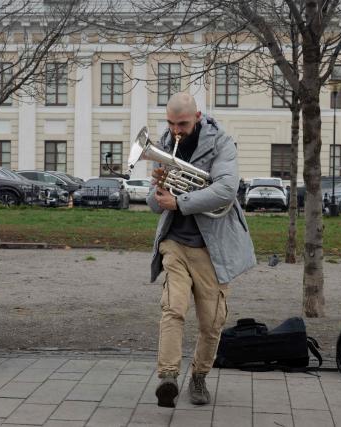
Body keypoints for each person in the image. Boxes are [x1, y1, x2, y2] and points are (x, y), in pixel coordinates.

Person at [147, 92, 256, 408]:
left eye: (181, 123)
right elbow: (156, 205)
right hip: (175, 243)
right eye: (170, 123)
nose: (176, 131)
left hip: (213, 247)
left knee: (212, 323)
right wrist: (159, 189)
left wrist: (179, 201)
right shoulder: (166, 143)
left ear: (197, 116)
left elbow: (225, 190)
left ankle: (198, 377)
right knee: (173, 307)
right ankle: (168, 377)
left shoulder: (222, 143)